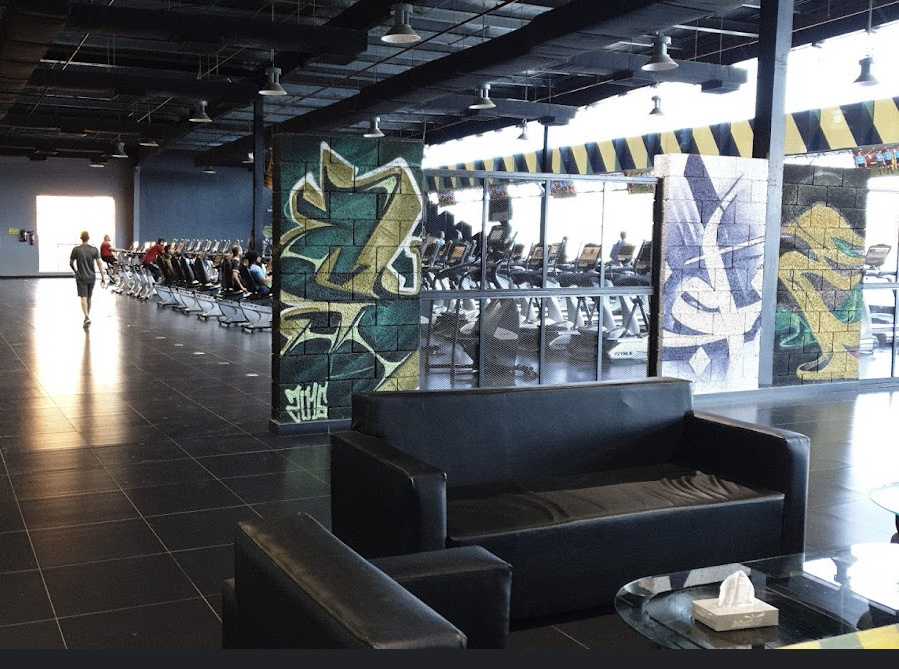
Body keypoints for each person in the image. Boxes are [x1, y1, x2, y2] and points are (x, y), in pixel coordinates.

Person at [69, 230, 105, 327]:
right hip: (92, 277)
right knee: (89, 297)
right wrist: (102, 277)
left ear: (81, 238)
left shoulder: (76, 250)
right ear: (88, 238)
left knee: (83, 297)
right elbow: (99, 263)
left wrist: (75, 271)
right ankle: (87, 316)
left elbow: (71, 262)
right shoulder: (94, 249)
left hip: (81, 277)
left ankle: (86, 316)